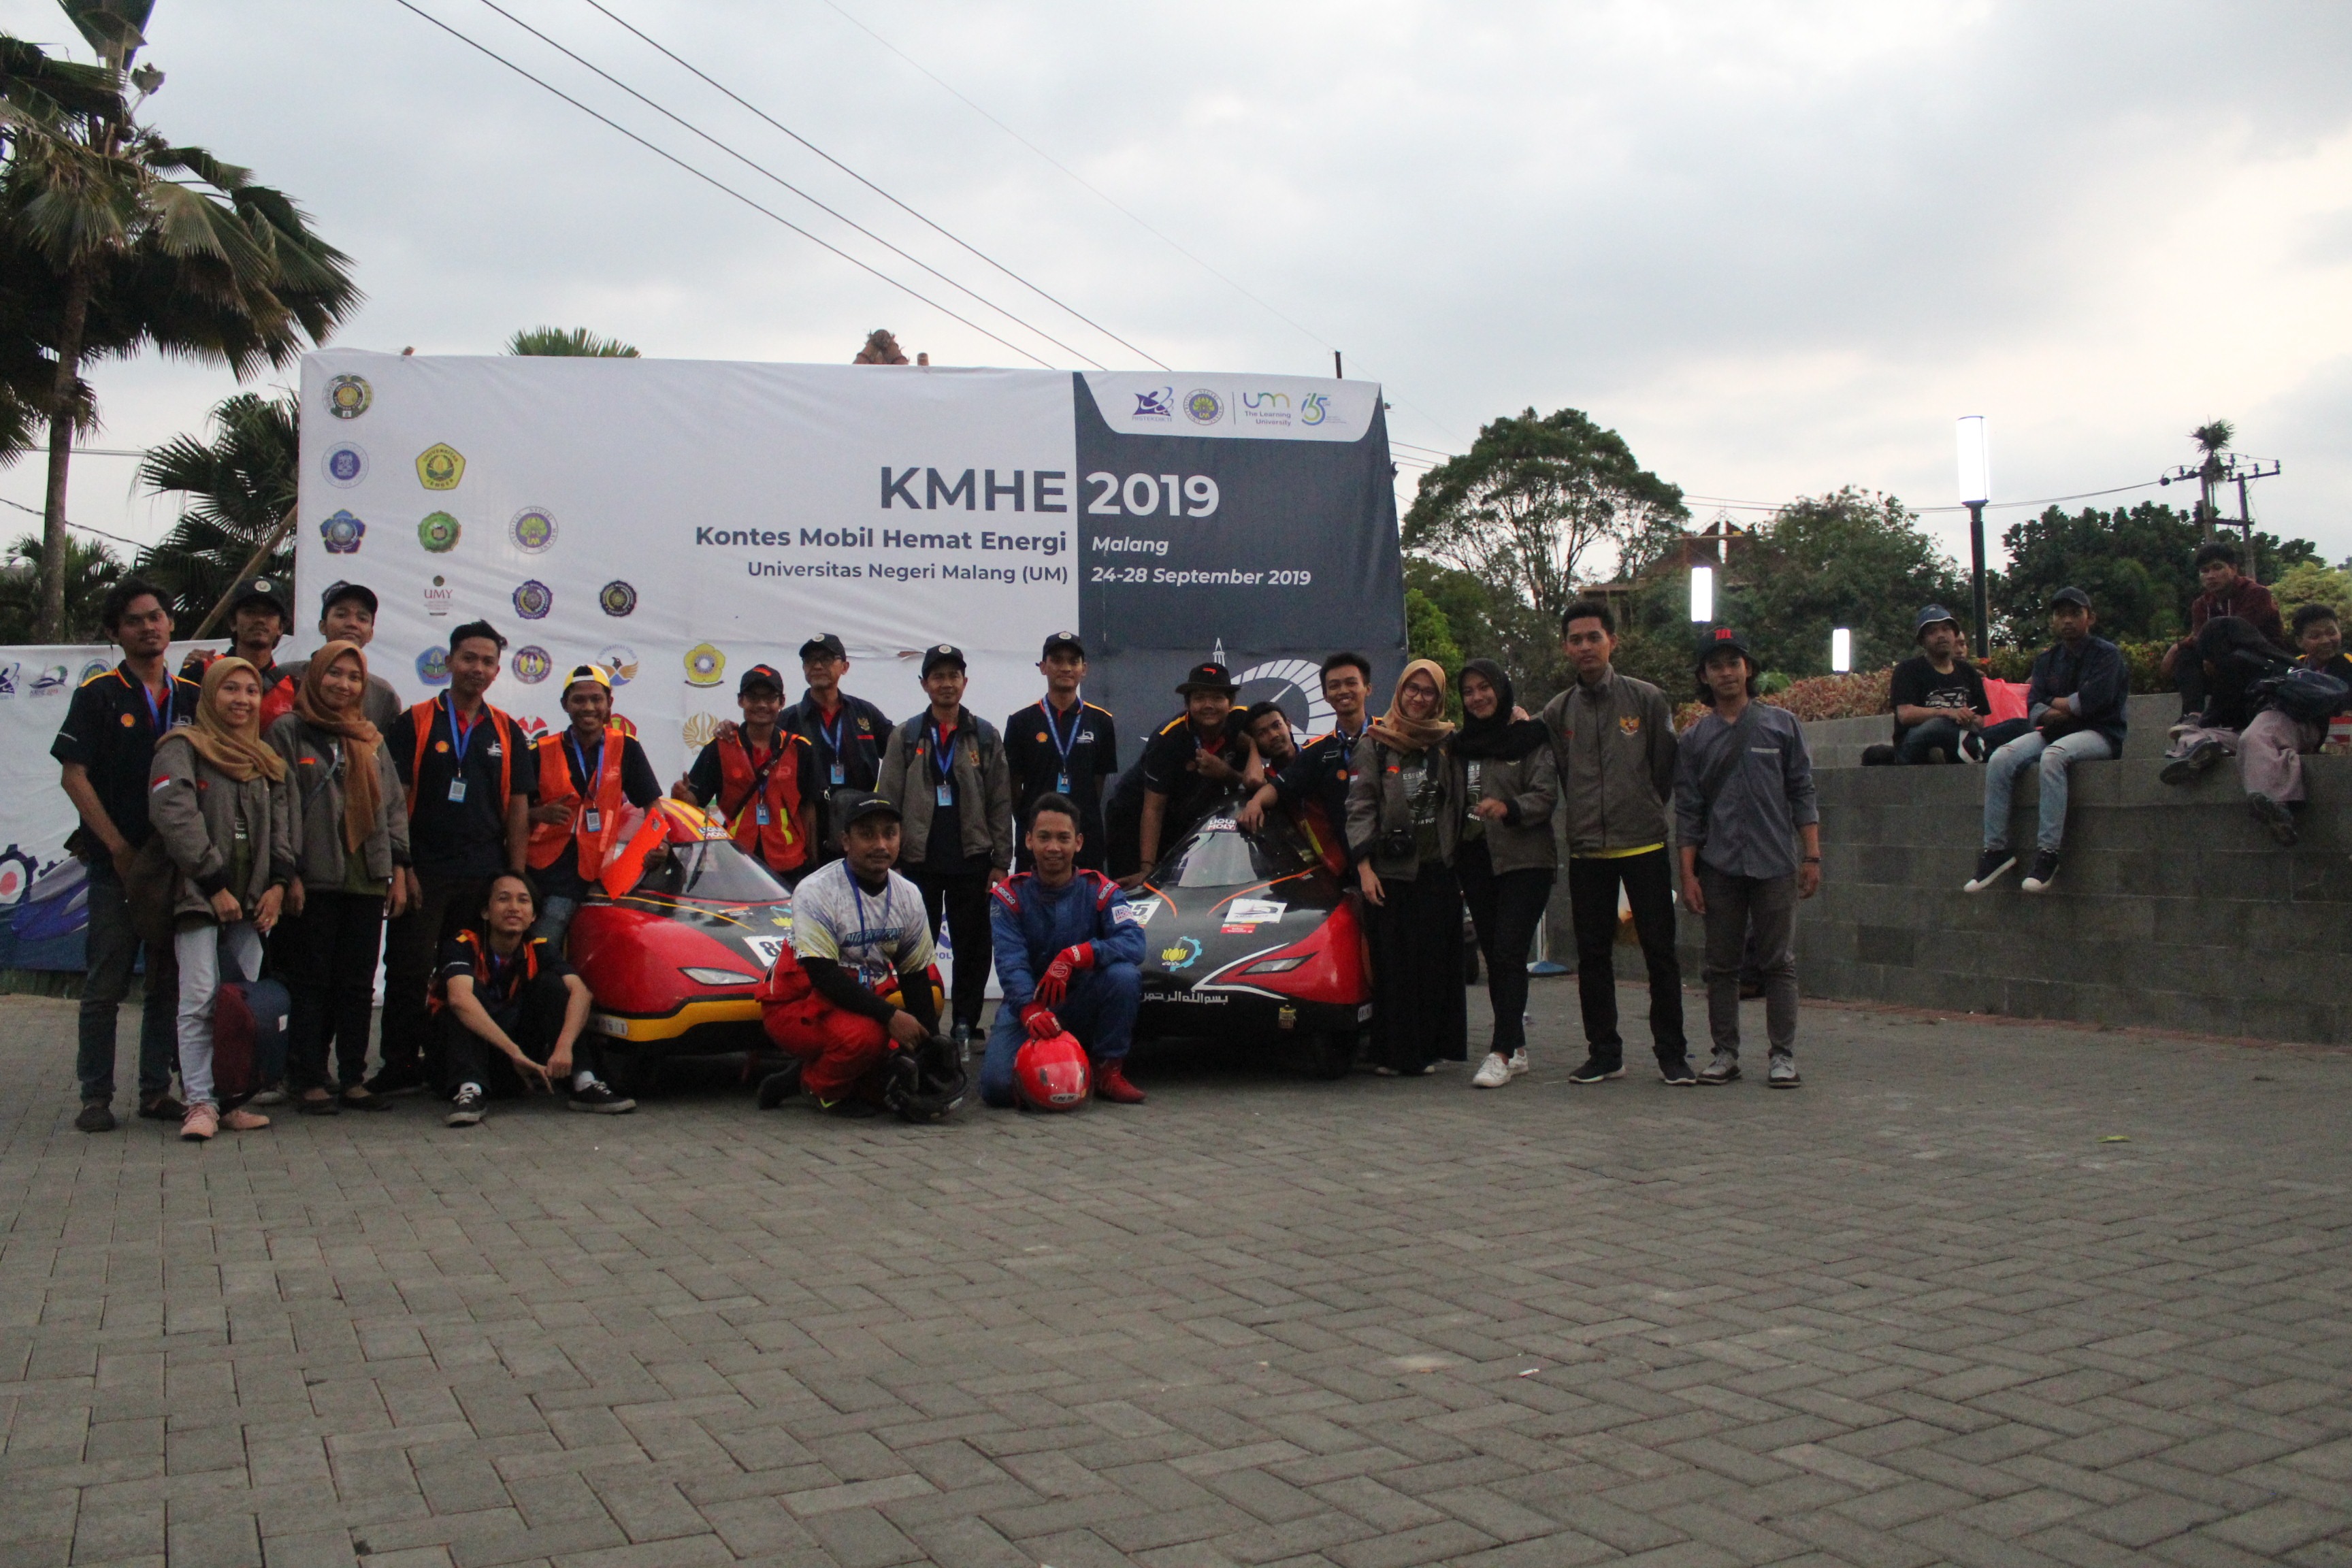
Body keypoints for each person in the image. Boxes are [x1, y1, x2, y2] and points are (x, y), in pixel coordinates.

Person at [56, 578, 201, 1133]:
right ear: (115, 632)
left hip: (173, 864)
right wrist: (117, 847)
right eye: (135, 620)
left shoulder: (192, 696)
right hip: (116, 865)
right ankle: (95, 1096)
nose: (148, 627)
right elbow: (74, 776)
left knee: (166, 983)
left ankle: (155, 1092)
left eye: (156, 616)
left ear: (171, 624)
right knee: (106, 984)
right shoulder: (98, 695)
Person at [372, 621, 537, 1098]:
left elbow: (518, 810)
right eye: (468, 658)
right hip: (424, 870)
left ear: (497, 670)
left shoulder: (506, 729)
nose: (477, 669)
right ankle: (400, 1064)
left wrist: (515, 879)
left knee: (472, 972)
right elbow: (395, 801)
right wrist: (401, 866)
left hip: (484, 874)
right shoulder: (415, 722)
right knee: (408, 968)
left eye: (487, 661)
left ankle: (459, 1064)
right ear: (449, 662)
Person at [1539, 600, 1691, 1085]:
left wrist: (1640, 806)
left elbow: (1664, 769)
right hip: (1588, 851)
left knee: (1660, 954)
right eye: (1576, 639)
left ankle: (1672, 1054)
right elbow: (1559, 773)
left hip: (1644, 846)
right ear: (1566, 647)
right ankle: (1604, 1053)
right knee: (1593, 956)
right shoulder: (1557, 711)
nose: (1585, 647)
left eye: (1594, 637)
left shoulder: (1647, 700)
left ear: (1612, 642)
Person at [147, 657, 295, 1141]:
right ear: (210, 694)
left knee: (240, 1009)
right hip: (199, 897)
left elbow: (283, 828)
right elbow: (175, 814)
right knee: (198, 1000)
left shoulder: (266, 759)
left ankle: (231, 1100)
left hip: (253, 903)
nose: (242, 699)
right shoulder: (182, 748)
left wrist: (277, 885)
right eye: (230, 688)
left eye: (251, 690)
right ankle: (199, 1103)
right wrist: (214, 885)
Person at [267, 640, 410, 1115]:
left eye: (353, 677)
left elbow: (392, 807)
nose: (343, 684)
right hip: (315, 877)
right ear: (315, 675)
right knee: (311, 982)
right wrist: (288, 871)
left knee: (357, 984)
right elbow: (280, 804)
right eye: (334, 673)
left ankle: (352, 1077)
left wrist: (397, 869)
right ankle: (308, 1077)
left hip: (365, 878)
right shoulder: (288, 731)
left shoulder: (370, 737)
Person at [1675, 627, 1821, 1089]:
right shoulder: (1695, 739)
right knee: (1721, 965)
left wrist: (1812, 856)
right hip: (1719, 865)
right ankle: (1725, 1053)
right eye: (1715, 665)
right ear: (1704, 675)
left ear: (1749, 669)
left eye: (1733, 663)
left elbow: (1802, 791)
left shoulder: (1782, 726)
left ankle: (1783, 1055)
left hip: (1775, 861)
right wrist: (1688, 874)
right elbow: (1688, 811)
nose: (1726, 673)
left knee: (1779, 962)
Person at [755, 789, 943, 1116]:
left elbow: (914, 976)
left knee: (895, 1063)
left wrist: (929, 1049)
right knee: (867, 1039)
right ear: (845, 841)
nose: (881, 844)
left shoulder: (909, 894)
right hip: (797, 1002)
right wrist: (890, 1017)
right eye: (867, 835)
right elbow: (823, 976)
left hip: (852, 999)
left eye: (889, 834)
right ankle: (819, 1089)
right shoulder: (816, 890)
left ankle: (791, 1080)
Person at [877, 644, 1013, 1046]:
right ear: (924, 684)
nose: (947, 684)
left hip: (973, 860)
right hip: (917, 862)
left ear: (965, 682)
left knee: (973, 948)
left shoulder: (985, 735)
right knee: (915, 948)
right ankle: (923, 1023)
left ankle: (967, 1022)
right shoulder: (905, 736)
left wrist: (1001, 861)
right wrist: (890, 860)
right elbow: (888, 801)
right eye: (938, 677)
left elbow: (1000, 802)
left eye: (954, 676)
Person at [983, 795, 1149, 1107]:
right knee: (997, 1088)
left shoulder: (1102, 890)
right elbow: (1010, 962)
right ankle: (1062, 1060)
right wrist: (1029, 1009)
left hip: (1083, 1000)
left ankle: (1107, 1070)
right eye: (1044, 837)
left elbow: (1134, 944)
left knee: (1124, 976)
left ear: (1079, 842)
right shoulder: (1008, 896)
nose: (1053, 847)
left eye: (1063, 838)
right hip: (1029, 1006)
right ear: (1029, 840)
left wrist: (1079, 954)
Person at [1345, 659, 1467, 1076]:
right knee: (1395, 967)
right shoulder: (1376, 743)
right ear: (1399, 691)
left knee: (1434, 965)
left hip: (1437, 868)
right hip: (1390, 873)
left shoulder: (1448, 742)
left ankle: (1429, 1049)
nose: (1418, 697)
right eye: (1412, 688)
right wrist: (1364, 868)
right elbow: (1360, 807)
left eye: (1428, 691)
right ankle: (1396, 1054)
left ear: (1439, 698)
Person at [1965, 587, 2129, 896]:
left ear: (2090, 618)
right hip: (2053, 731)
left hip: (2101, 733)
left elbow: (2096, 702)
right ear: (2053, 621)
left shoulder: (2107, 655)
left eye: (2075, 614)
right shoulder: (2047, 660)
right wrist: (2065, 707)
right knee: (2001, 757)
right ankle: (1995, 851)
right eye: (2060, 615)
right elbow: (2035, 707)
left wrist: (2057, 704)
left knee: (2053, 757)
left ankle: (2048, 854)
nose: (2067, 621)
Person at [436, 871, 634, 1126]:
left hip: (516, 1065)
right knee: (467, 993)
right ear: (485, 911)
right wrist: (513, 1051)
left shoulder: (538, 947)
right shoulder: (462, 944)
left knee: (552, 985)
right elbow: (459, 999)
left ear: (533, 916)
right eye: (503, 899)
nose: (514, 908)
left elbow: (582, 993)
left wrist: (563, 1047)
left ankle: (583, 1081)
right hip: (459, 1060)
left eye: (523, 900)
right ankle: (469, 1090)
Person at [1452, 659, 1558, 1090]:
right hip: (1476, 861)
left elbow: (1545, 795)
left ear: (1501, 689)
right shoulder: (1459, 746)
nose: (1477, 697)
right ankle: (1516, 1048)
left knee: (1510, 951)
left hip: (1525, 860)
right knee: (1496, 956)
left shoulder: (1530, 737)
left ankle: (1499, 1052)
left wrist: (1509, 807)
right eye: (1468, 691)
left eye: (1485, 688)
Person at [525, 664, 663, 948]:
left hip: (595, 870)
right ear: (565, 704)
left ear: (609, 703)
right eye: (579, 700)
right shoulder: (540, 751)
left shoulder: (626, 747)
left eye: (596, 699)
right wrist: (539, 814)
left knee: (549, 944)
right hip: (537, 869)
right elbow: (510, 813)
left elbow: (653, 806)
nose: (588, 707)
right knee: (537, 945)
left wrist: (659, 844)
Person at [1113, 662, 1262, 887]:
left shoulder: (1245, 722)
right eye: (1200, 698)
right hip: (1135, 818)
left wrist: (1249, 748)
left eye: (1217, 698)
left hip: (1188, 815)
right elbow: (1153, 808)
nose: (1208, 705)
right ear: (1188, 703)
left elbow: (1256, 782)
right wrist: (1146, 868)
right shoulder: (1168, 738)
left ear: (1231, 702)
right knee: (1143, 887)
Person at [676, 663, 820, 885]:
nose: (762, 704)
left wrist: (814, 862)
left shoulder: (799, 748)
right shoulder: (720, 747)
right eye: (753, 697)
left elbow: (808, 808)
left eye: (770, 698)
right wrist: (682, 797)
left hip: (790, 862)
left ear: (781, 702)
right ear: (741, 701)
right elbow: (694, 801)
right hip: (736, 860)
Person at [2227, 602, 2351, 847]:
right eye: (2315, 636)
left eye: (2331, 632)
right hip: (2293, 727)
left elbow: (2347, 711)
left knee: (2262, 740)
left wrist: (2336, 747)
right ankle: (2278, 806)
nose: (2326, 640)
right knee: (2258, 741)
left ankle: (2277, 799)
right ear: (2299, 641)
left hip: (2323, 733)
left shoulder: (2347, 665)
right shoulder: (2294, 668)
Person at [1237, 652, 1373, 874]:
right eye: (1261, 733)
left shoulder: (1316, 752)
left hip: (1376, 855)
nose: (1273, 735)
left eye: (1276, 726)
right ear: (1326, 695)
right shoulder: (1314, 754)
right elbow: (1256, 781)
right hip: (1328, 867)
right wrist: (1255, 802)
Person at [1002, 632, 1117, 872]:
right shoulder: (1021, 722)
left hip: (1085, 840)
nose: (1066, 668)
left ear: (1084, 669)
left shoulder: (1101, 721)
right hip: (1036, 842)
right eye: (1057, 660)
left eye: (1073, 661)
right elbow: (1013, 787)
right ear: (1043, 667)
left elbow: (1097, 784)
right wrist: (1031, 820)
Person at [783, 633, 892, 860]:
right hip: (807, 826)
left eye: (826, 659)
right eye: (811, 660)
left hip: (860, 823)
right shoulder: (787, 720)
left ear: (845, 667)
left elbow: (900, 749)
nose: (818, 666)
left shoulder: (864, 713)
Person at [2158, 616, 2296, 784]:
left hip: (2266, 730)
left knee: (2194, 733)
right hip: (2294, 730)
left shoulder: (2234, 665)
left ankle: (2190, 752)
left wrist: (2199, 724)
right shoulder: (2278, 659)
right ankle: (2197, 750)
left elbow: (2215, 713)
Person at [2163, 541, 2284, 730]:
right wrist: (2186, 649)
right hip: (2221, 666)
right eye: (2204, 571)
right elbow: (2201, 638)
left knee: (2231, 657)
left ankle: (2215, 718)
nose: (2211, 575)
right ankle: (2193, 715)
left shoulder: (2257, 594)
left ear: (2233, 569)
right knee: (2187, 655)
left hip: (2262, 665)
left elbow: (2237, 633)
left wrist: (2178, 646)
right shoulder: (2201, 604)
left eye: (2217, 568)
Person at [267, 581, 403, 730]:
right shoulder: (286, 675)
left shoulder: (383, 695)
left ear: (371, 634)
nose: (352, 624)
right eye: (341, 615)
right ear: (322, 626)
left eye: (362, 619)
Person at [1865, 606, 1989, 766]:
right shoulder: (1907, 670)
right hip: (1918, 740)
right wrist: (1948, 713)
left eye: (1946, 629)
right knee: (1939, 726)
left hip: (1964, 732)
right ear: (1922, 641)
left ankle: (1965, 750)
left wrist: (1967, 717)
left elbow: (1980, 719)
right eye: (1932, 632)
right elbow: (1905, 714)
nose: (1941, 635)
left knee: (2016, 726)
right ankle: (1974, 750)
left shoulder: (1968, 672)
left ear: (1954, 634)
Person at [180, 574, 293, 703]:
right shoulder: (202, 670)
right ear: (233, 622)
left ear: (281, 628)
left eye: (269, 614)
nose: (260, 619)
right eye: (250, 612)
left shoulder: (293, 687)